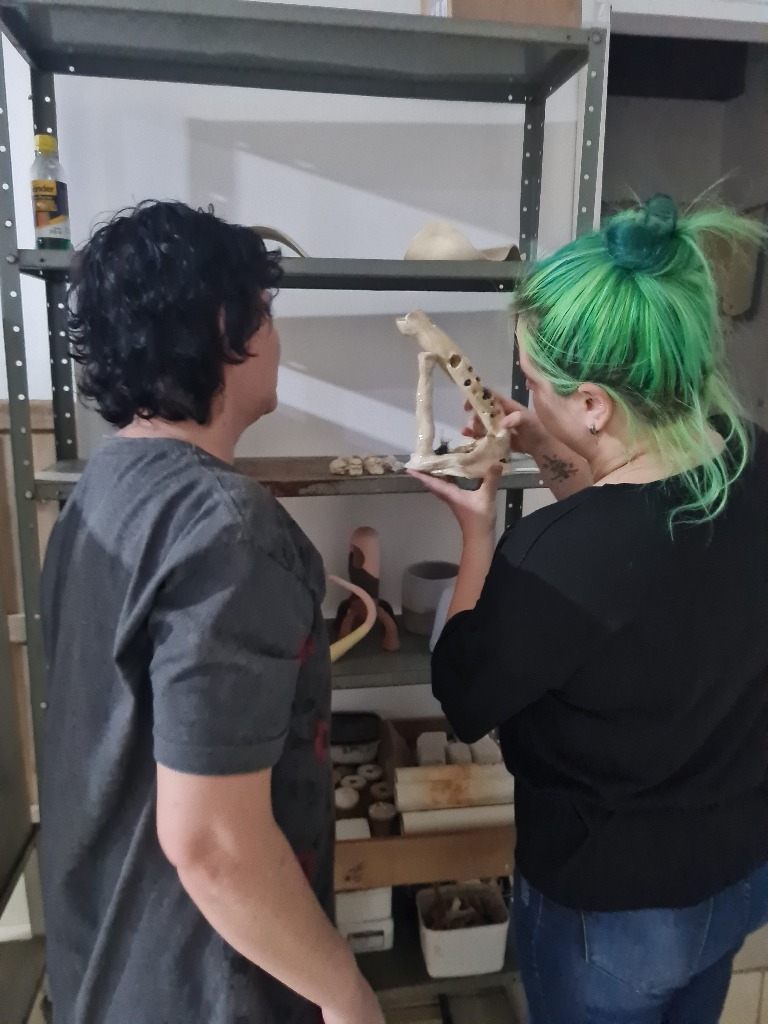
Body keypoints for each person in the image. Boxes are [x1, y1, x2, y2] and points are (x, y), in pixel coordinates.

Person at [415, 195, 768, 1024]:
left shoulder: (551, 558)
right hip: (738, 872)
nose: (525, 397)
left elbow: (464, 694)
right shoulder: (748, 455)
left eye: (534, 384)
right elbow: (637, 537)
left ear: (594, 404)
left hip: (611, 910)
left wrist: (476, 532)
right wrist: (551, 447)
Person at [39, 201, 384, 1024]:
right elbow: (214, 844)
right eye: (266, 313)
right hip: (206, 985)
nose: (276, 339)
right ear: (229, 329)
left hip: (109, 961)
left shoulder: (99, 491)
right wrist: (346, 995)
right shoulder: (226, 528)